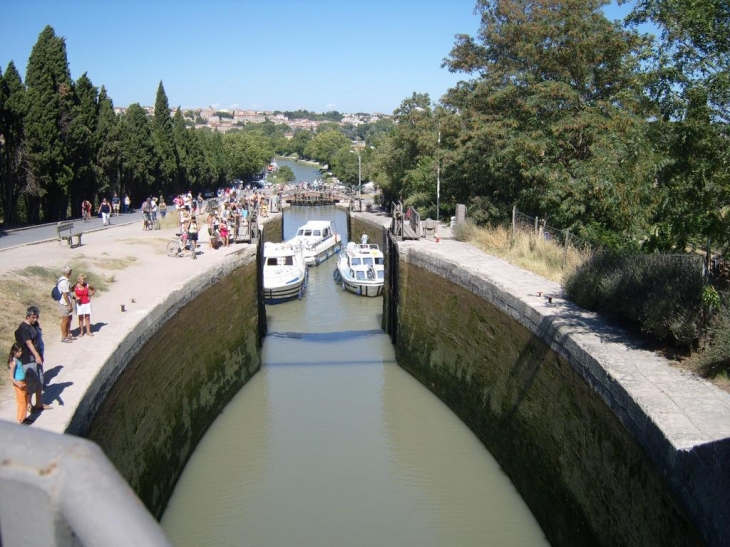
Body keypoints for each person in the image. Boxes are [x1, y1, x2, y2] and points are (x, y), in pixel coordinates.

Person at [15, 306, 50, 413]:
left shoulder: (33, 325)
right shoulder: (24, 328)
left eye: (37, 317)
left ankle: (38, 403)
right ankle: (29, 404)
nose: (35, 319)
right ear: (28, 316)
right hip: (28, 359)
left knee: (40, 380)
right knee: (31, 382)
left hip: (36, 358)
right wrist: (37, 356)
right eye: (33, 317)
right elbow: (29, 343)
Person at [8, 343, 29, 424]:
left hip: (23, 382)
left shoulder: (18, 360)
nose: (20, 353)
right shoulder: (14, 363)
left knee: (25, 400)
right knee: (22, 402)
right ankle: (21, 420)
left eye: (21, 351)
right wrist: (18, 384)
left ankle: (24, 417)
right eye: (18, 351)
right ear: (14, 351)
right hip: (19, 383)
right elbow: (11, 377)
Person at [58, 265, 76, 343]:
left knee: (69, 318)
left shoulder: (62, 279)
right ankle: (64, 336)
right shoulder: (64, 282)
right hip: (64, 303)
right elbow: (65, 294)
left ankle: (68, 334)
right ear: (69, 272)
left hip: (65, 302)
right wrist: (69, 304)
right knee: (65, 320)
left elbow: (69, 291)